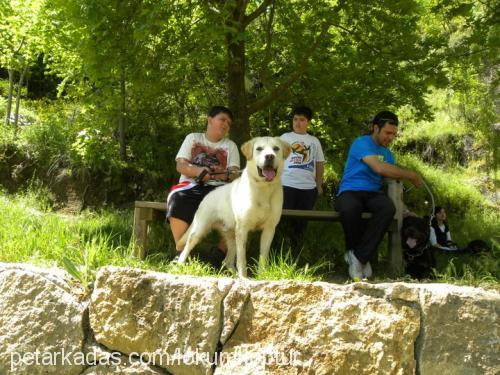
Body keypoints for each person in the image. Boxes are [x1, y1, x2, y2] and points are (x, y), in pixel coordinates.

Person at [335, 110, 423, 279]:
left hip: (372, 193)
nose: (390, 137)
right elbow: (379, 168)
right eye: (387, 133)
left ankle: (358, 256)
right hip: (350, 191)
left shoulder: (388, 154)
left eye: (394, 134)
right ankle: (361, 258)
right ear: (375, 128)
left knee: (387, 208)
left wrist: (404, 209)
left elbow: (391, 182)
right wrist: (411, 174)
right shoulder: (361, 143)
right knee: (350, 207)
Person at [166, 106, 240, 267]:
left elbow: (234, 174)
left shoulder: (231, 146)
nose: (226, 124)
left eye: (229, 122)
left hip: (219, 189)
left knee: (239, 208)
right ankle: (183, 252)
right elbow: (180, 166)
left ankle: (218, 256)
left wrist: (222, 173)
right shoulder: (192, 138)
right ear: (209, 119)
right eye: (222, 119)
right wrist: (198, 171)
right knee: (177, 197)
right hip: (190, 185)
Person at [279, 106, 325, 247]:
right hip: (286, 185)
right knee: (283, 220)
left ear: (308, 122)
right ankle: (279, 249)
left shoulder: (314, 141)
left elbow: (319, 163)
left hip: (308, 188)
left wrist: (319, 185)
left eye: (302, 120)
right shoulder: (284, 138)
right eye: (295, 119)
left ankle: (297, 251)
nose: (297, 123)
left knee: (301, 224)